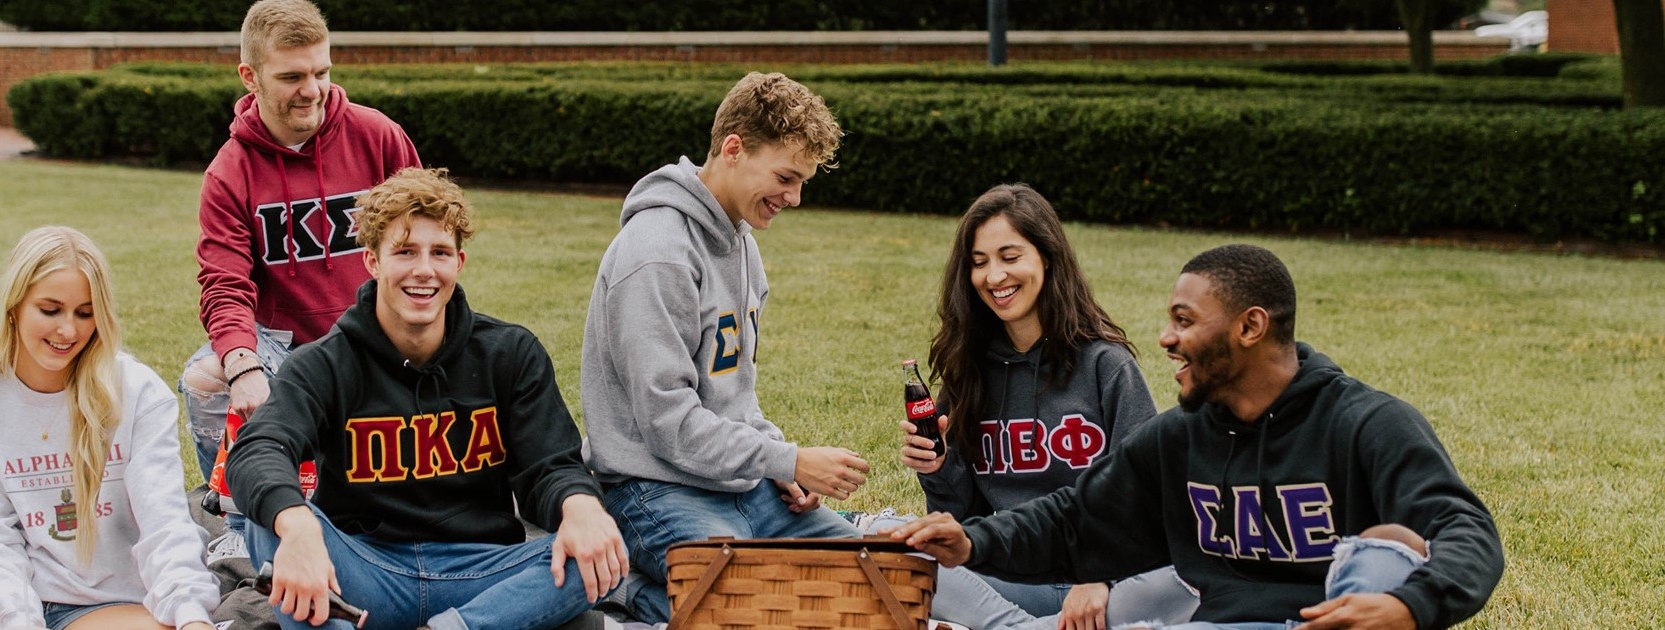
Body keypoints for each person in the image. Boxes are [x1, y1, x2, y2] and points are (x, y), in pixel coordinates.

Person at [890, 244, 1505, 629]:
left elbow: (1463, 530)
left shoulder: (1365, 424)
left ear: (1250, 326)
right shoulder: (1179, 438)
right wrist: (971, 542)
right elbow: (1076, 520)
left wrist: (1409, 605)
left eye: (1184, 321)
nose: (1164, 337)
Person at [226, 168, 628, 630]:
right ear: (373, 262)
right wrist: (296, 524)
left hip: (483, 572)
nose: (423, 269)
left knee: (600, 547)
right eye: (404, 252)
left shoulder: (509, 353)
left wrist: (580, 507)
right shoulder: (326, 362)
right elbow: (258, 449)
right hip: (364, 571)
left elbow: (552, 467)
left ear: (459, 262)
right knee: (268, 523)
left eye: (439, 252)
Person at [578, 71, 872, 624]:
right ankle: (628, 592)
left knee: (865, 582)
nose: (796, 197)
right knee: (758, 608)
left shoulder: (742, 244)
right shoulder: (657, 252)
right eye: (787, 177)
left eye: (803, 182)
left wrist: (785, 468)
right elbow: (667, 424)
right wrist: (789, 459)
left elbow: (734, 397)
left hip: (742, 486)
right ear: (733, 149)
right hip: (654, 490)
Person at [882, 184, 1197, 630]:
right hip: (1015, 572)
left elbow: (1146, 496)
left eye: (1010, 258)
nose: (994, 277)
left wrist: (1098, 574)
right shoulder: (970, 369)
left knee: (1188, 579)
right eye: (979, 263)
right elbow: (965, 522)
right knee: (903, 552)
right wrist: (937, 469)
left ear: (1046, 258)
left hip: (1107, 581)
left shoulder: (1106, 365)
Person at [0, 227, 220, 630]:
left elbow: (166, 527)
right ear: (15, 305)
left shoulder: (139, 394)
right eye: (50, 310)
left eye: (85, 313)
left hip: (104, 606)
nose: (68, 331)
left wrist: (193, 616)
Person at [179, 0, 423, 504]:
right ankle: (232, 512)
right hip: (284, 343)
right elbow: (224, 284)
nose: (311, 90)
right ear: (250, 76)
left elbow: (425, 247)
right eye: (292, 76)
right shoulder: (229, 172)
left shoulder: (378, 137)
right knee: (206, 381)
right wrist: (244, 370)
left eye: (321, 71)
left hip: (376, 330)